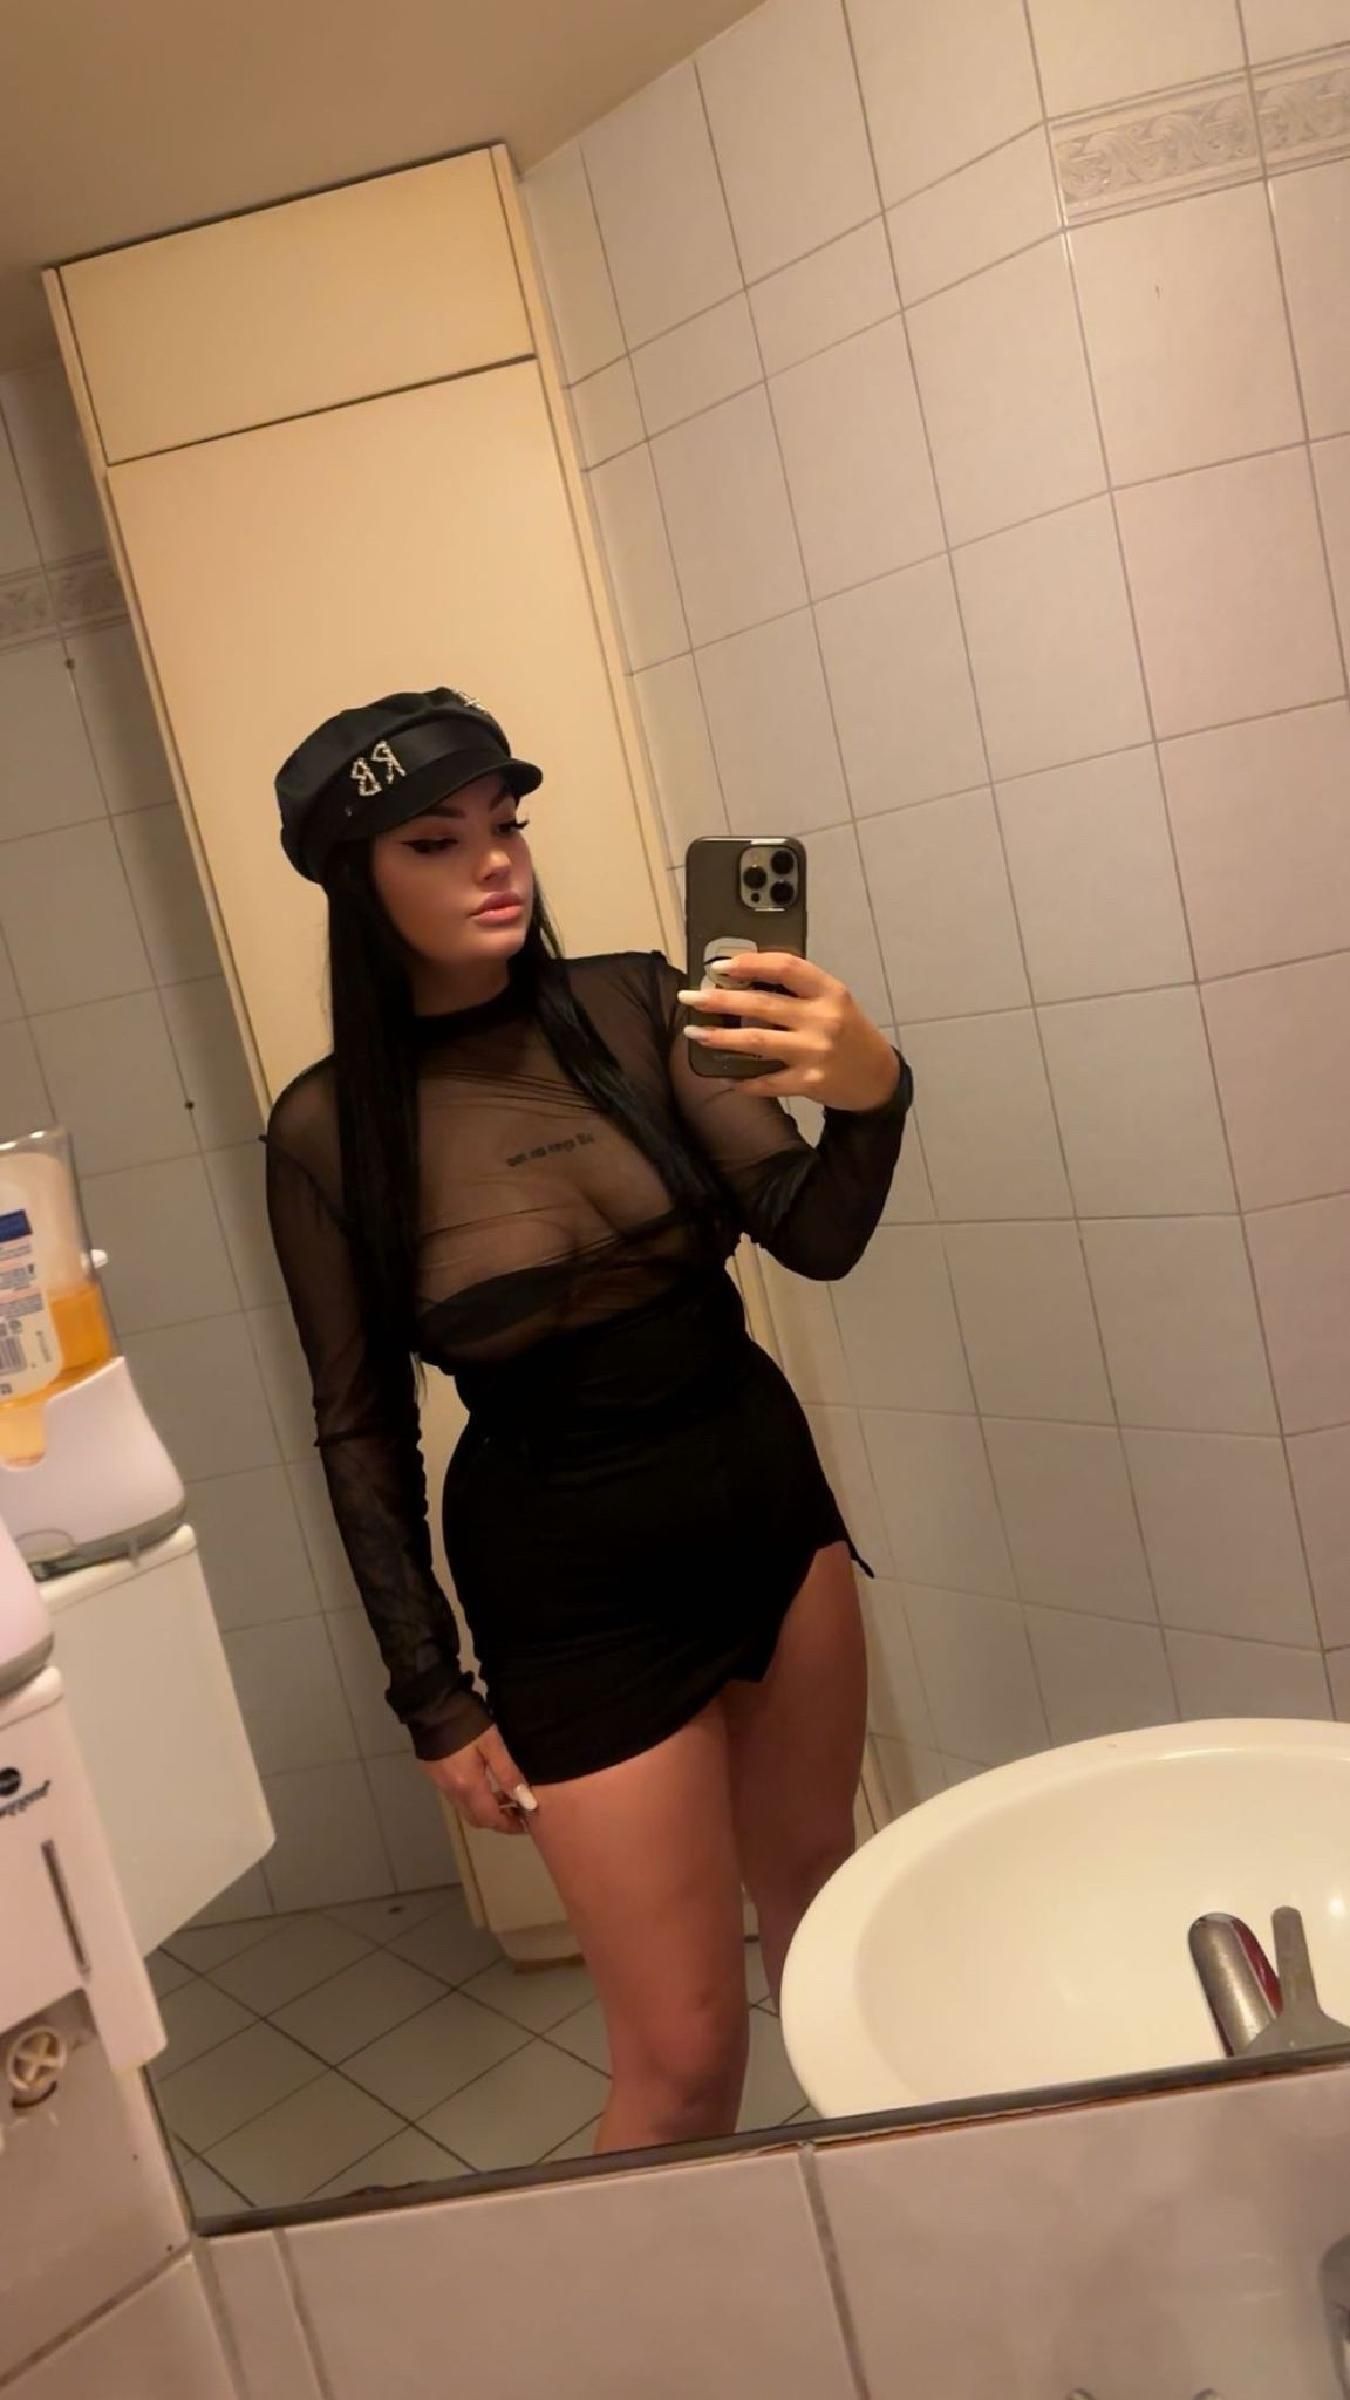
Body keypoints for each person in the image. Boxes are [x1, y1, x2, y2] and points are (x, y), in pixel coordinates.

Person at [266, 688, 912, 2154]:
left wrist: (873, 1096)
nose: (494, 861)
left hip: (767, 1516)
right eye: (436, 840)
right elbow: (360, 1429)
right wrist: (431, 1693)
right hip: (570, 1595)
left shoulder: (637, 1006)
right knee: (680, 2068)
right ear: (357, 881)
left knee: (832, 1935)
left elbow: (810, 1234)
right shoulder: (326, 1133)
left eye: (505, 824)